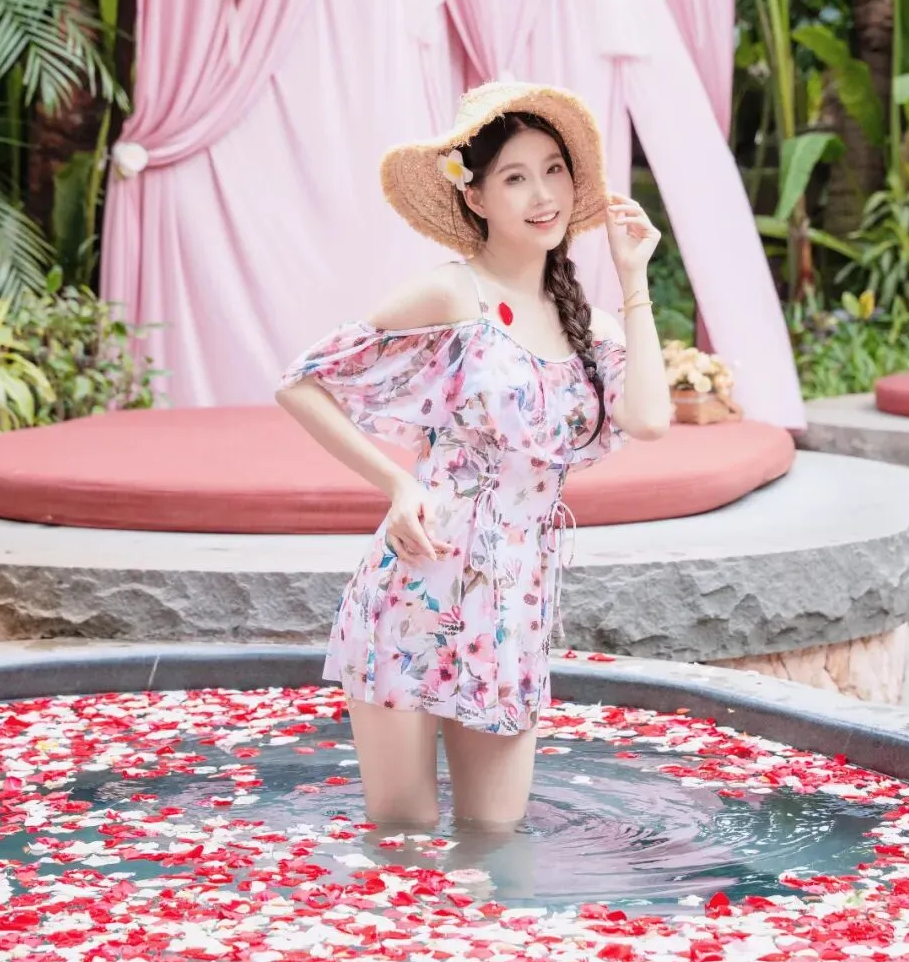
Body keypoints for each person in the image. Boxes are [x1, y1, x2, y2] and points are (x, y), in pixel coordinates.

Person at [276, 79, 671, 835]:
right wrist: (398, 484)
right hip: (418, 584)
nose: (543, 194)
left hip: (515, 601)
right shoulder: (452, 295)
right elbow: (301, 385)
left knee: (493, 835)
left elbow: (649, 419)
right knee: (404, 834)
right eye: (515, 177)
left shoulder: (589, 324)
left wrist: (633, 278)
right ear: (477, 197)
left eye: (553, 170)